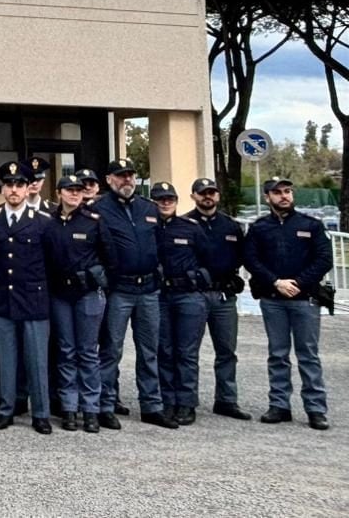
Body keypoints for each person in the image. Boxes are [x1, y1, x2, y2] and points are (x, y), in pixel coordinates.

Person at [94, 159, 178, 430]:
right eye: (120, 176)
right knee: (111, 350)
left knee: (149, 351)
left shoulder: (148, 208)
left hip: (149, 290)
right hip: (119, 290)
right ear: (109, 180)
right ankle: (105, 405)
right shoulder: (98, 209)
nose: (126, 180)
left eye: (130, 175)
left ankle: (151, 405)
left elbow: (162, 247)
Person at [245, 176, 332, 431]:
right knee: (278, 354)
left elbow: (324, 259)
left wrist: (297, 283)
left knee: (308, 355)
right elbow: (251, 260)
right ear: (267, 197)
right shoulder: (259, 228)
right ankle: (279, 405)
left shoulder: (311, 225)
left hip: (305, 299)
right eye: (277, 192)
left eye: (287, 191)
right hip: (273, 300)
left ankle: (316, 409)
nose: (284, 196)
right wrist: (276, 282)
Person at [0, 160, 54, 434]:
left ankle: (41, 413)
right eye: (9, 185)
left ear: (28, 189)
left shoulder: (43, 223)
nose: (14, 190)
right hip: (2, 299)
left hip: (34, 301)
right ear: (3, 188)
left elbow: (52, 263)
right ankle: (6, 409)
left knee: (37, 360)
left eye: (20, 185)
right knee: (4, 360)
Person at [43, 172, 106, 433]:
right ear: (59, 192)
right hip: (60, 295)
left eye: (78, 190)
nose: (74, 193)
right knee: (66, 352)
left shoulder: (93, 222)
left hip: (87, 294)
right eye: (69, 189)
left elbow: (109, 257)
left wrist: (96, 277)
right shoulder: (49, 224)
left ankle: (91, 408)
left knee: (88, 352)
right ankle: (69, 406)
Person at [187, 177, 251, 421]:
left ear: (218, 196)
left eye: (212, 192)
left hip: (225, 296)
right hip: (195, 295)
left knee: (226, 351)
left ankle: (226, 400)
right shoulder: (184, 223)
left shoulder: (231, 227)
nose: (208, 197)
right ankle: (188, 401)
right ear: (193, 196)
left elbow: (243, 257)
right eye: (203, 193)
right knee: (189, 351)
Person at [152, 181, 211, 426]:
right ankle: (167, 401)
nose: (166, 203)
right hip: (160, 296)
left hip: (188, 295)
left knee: (186, 352)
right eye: (161, 199)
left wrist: (197, 278)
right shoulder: (148, 228)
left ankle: (186, 403)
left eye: (170, 199)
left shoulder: (190, 228)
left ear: (177, 202)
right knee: (164, 351)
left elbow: (210, 258)